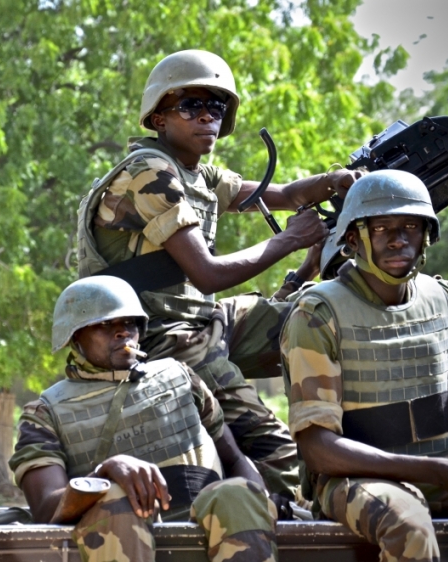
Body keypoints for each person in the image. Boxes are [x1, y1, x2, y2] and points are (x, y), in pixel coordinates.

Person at [77, 48, 361, 499]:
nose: (207, 116)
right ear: (158, 119)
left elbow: (283, 193)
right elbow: (207, 274)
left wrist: (338, 180)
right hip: (160, 337)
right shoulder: (150, 173)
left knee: (311, 318)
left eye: (216, 107)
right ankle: (281, 526)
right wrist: (288, 241)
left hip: (201, 321)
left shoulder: (196, 173)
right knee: (275, 448)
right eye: (191, 105)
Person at [281, 169, 448, 559]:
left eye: (410, 225)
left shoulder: (444, 300)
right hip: (352, 478)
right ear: (352, 239)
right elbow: (318, 449)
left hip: (442, 466)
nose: (397, 239)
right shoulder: (318, 313)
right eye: (380, 228)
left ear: (426, 234)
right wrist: (439, 472)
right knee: (407, 525)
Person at [9, 276, 277, 562]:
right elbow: (46, 509)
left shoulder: (181, 377)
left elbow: (235, 460)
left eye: (130, 323)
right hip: (115, 543)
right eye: (105, 324)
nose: (122, 333)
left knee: (236, 493)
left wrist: (259, 500)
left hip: (206, 537)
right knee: (115, 500)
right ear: (75, 337)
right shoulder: (44, 414)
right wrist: (104, 473)